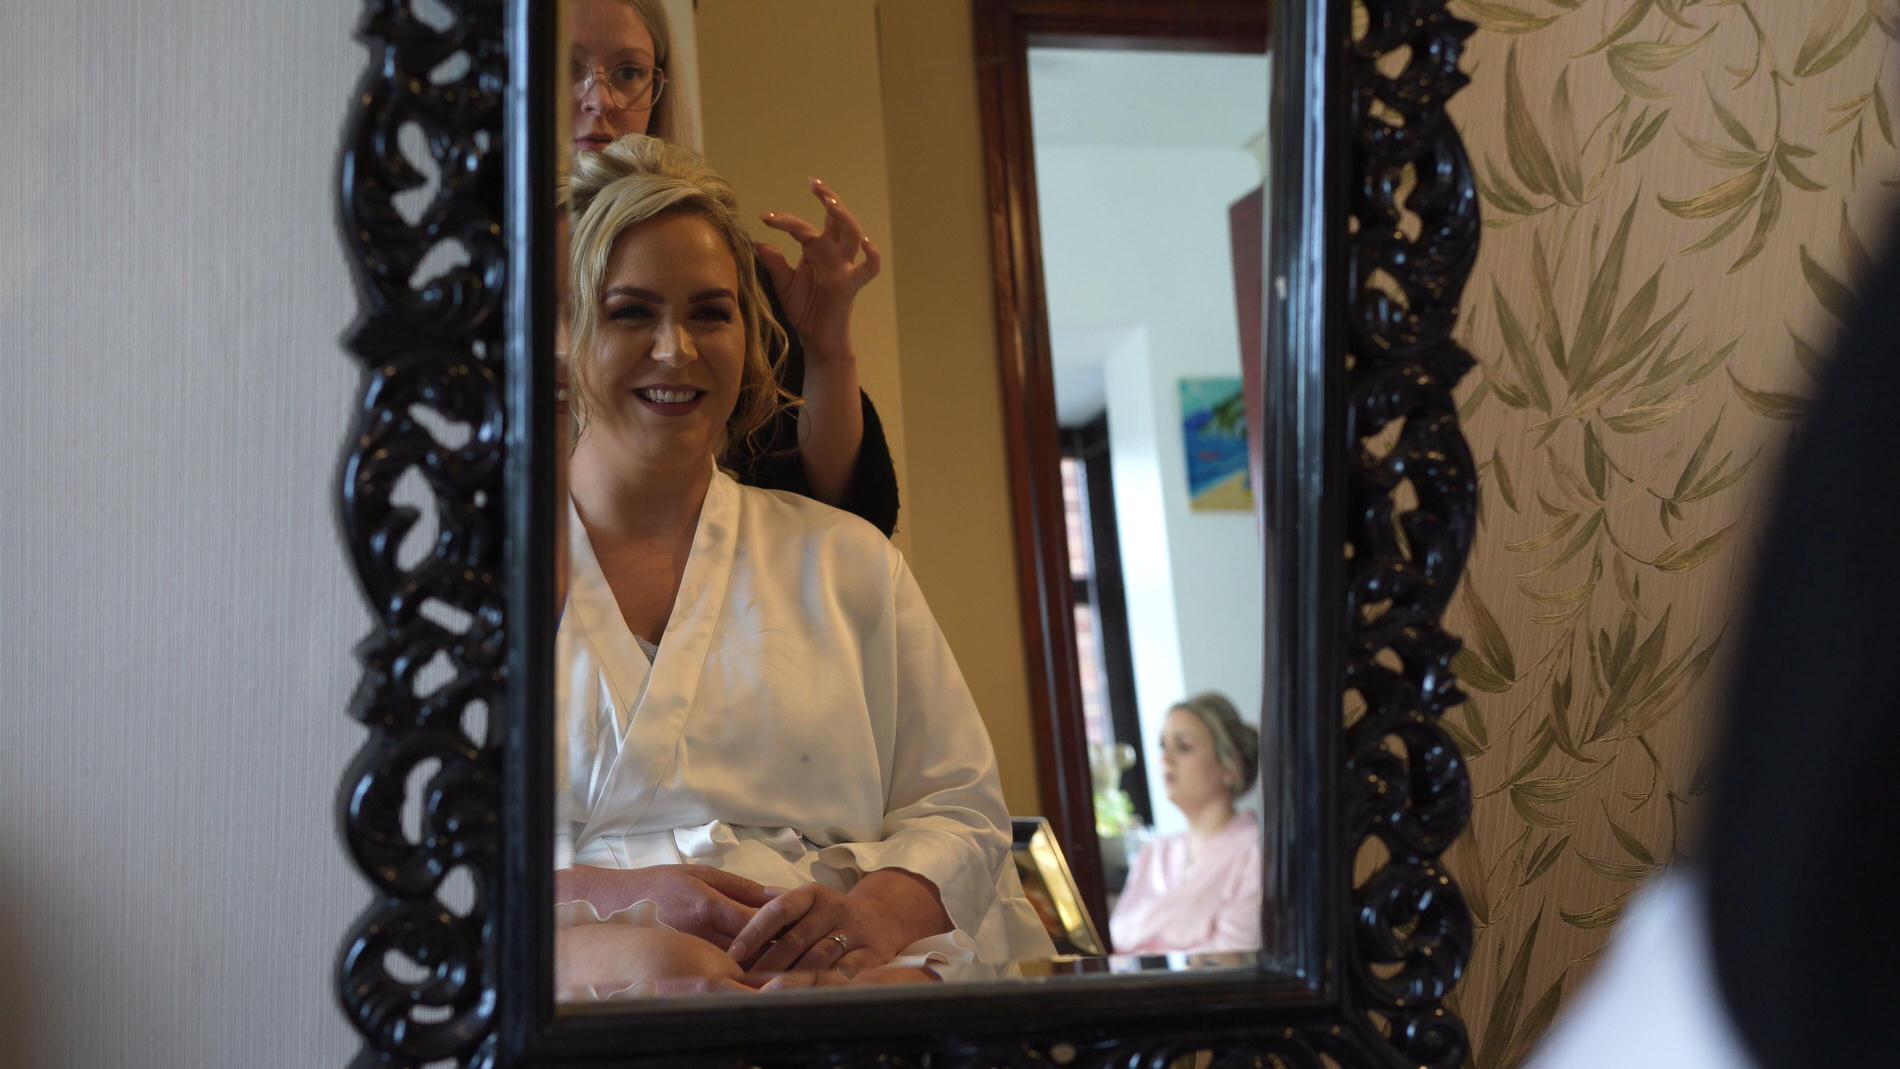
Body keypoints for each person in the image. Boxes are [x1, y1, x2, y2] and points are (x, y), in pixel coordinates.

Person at [550, 136, 1053, 1000]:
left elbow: (958, 808)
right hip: (580, 959)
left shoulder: (845, 561)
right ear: (561, 332)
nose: (676, 349)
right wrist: (635, 900)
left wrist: (873, 917)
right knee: (685, 978)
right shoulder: (478, 579)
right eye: (631, 311)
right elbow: (425, 860)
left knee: (889, 998)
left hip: (838, 977)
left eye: (711, 312)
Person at [564, 0, 900, 535]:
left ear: (659, 86)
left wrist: (826, 350)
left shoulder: (716, 273)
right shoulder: (456, 286)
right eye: (568, 67)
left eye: (627, 73)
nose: (598, 98)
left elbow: (845, 521)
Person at [1108, 693, 1262, 955]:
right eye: (1162, 746)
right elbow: (1115, 944)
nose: (1166, 759)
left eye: (1184, 747)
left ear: (1229, 766)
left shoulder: (1254, 852)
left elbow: (1234, 959)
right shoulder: (1154, 854)